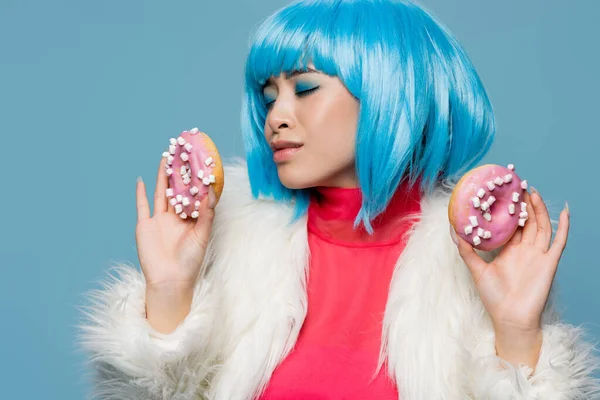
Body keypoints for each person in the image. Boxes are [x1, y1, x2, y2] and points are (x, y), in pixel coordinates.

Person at [77, 0, 600, 398]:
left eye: (304, 89)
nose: (275, 117)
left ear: (389, 94)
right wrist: (169, 294)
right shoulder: (231, 238)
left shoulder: (474, 260)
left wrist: (516, 333)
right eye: (268, 96)